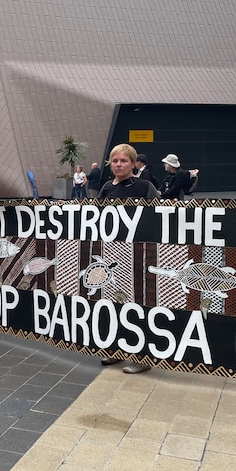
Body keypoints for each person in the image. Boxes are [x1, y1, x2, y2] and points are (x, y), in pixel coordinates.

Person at [99, 144, 159, 374]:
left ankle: (142, 355)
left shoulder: (145, 187)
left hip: (139, 256)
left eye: (124, 161)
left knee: (139, 305)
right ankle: (116, 349)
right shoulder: (106, 187)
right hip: (113, 256)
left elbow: (158, 218)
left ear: (134, 163)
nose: (119, 165)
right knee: (114, 304)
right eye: (115, 161)